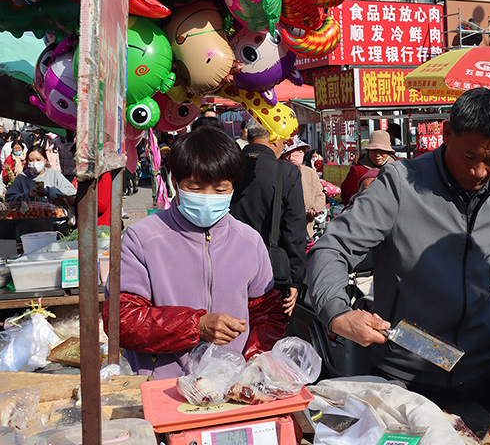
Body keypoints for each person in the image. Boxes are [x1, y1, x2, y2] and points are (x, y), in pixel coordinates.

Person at [307, 88, 490, 419]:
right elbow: (333, 247)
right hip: (404, 378)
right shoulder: (400, 184)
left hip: (482, 375)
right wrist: (337, 311)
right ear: (446, 133)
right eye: (469, 157)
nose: (479, 172)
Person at [105, 127, 274, 379]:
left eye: (220, 190)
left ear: (233, 188)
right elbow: (121, 320)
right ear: (175, 182)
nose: (207, 197)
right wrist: (195, 325)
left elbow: (265, 314)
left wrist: (254, 365)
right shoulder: (141, 239)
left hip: (230, 384)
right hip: (160, 383)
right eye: (195, 187)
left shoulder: (250, 241)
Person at [230, 119, 307, 335]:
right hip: (270, 271)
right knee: (265, 337)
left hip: (227, 260)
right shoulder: (286, 172)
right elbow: (294, 231)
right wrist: (295, 280)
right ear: (274, 138)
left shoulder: (228, 165)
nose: (285, 145)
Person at [280, 136, 326, 242]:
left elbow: (319, 194)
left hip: (307, 228)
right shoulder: (278, 172)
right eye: (297, 150)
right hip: (284, 229)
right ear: (286, 154)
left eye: (303, 150)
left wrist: (315, 209)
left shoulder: (309, 172)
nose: (301, 152)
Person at [5, 145, 77, 207]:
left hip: (53, 215)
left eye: (38, 159)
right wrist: (26, 195)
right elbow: (9, 198)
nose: (35, 163)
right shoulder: (22, 177)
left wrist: (50, 192)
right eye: (31, 160)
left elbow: (71, 191)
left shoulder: (54, 174)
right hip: (30, 215)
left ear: (45, 160)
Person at [340, 131, 396, 205]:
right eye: (373, 150)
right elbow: (347, 195)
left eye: (382, 151)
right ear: (368, 151)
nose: (377, 154)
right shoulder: (357, 170)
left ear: (388, 152)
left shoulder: (396, 169)